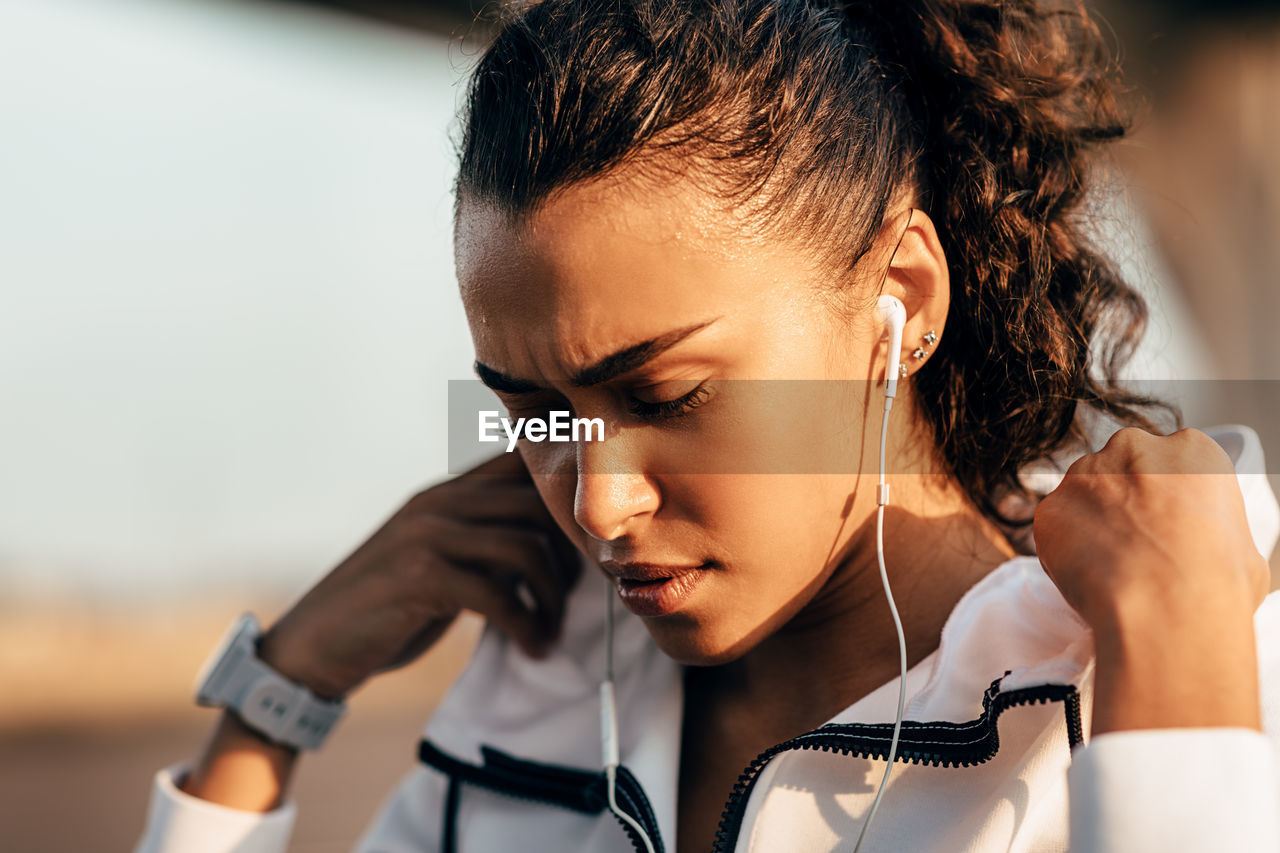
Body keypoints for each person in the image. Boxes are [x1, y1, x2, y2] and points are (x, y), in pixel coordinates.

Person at [134, 0, 1280, 850]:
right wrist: (274, 701)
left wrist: (1177, 649)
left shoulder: (1159, 670)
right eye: (531, 412)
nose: (596, 501)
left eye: (667, 396)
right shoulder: (537, 690)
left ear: (905, 301)